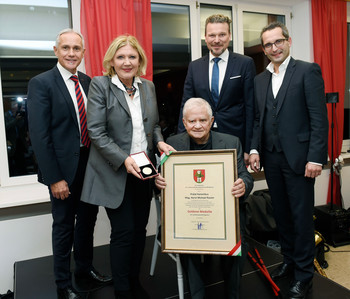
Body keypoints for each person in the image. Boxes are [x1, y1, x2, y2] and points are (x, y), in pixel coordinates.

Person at [80, 35, 174, 299]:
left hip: (143, 171)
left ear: (140, 60)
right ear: (111, 60)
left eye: (132, 56)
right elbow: (96, 132)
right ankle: (122, 290)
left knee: (140, 230)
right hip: (116, 171)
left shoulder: (149, 87)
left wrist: (160, 143)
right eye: (121, 57)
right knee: (123, 232)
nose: (127, 62)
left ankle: (134, 283)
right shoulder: (100, 86)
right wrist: (124, 159)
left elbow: (153, 125)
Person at [27, 28, 111, 299]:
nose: (71, 53)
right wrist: (54, 178)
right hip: (63, 171)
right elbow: (40, 137)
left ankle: (84, 270)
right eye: (66, 48)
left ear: (83, 53)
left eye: (77, 49)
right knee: (63, 227)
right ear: (56, 51)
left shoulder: (88, 82)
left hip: (90, 165)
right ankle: (63, 284)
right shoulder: (42, 83)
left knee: (88, 222)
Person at [249, 22, 328, 299]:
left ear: (288, 41)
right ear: (264, 48)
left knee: (301, 218)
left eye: (278, 41)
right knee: (281, 216)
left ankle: (305, 275)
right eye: (268, 44)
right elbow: (259, 119)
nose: (274, 48)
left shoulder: (307, 71)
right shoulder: (260, 80)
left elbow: (319, 119)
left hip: (301, 160)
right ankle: (290, 262)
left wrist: (316, 158)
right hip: (271, 158)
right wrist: (255, 150)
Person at [156, 97, 253, 299]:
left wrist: (243, 184)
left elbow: (245, 175)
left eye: (202, 120)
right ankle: (197, 294)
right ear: (184, 123)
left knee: (237, 235)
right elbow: (160, 176)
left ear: (211, 121)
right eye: (192, 121)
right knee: (184, 239)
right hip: (187, 215)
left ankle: (232, 293)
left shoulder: (230, 142)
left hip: (221, 214)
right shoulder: (172, 144)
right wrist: (158, 182)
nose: (197, 125)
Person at [178, 14, 256, 164]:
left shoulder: (245, 63)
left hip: (234, 139)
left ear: (229, 36)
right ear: (205, 37)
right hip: (200, 140)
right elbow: (186, 105)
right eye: (212, 35)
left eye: (222, 34)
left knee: (233, 185)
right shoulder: (195, 67)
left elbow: (250, 108)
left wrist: (249, 148)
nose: (217, 40)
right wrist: (181, 142)